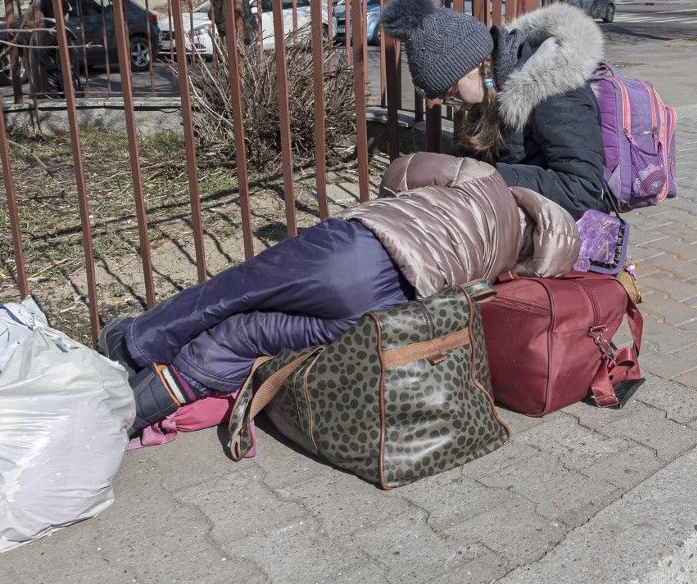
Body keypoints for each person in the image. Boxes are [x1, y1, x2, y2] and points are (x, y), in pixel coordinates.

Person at [100, 152, 581, 434]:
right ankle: (127, 416)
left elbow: (402, 171)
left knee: (233, 292)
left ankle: (134, 344)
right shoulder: (497, 274)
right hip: (381, 311)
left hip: (356, 252)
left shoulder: (486, 180)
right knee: (246, 334)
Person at [380, 0, 608, 216]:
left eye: (451, 93)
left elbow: (582, 191)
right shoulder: (490, 95)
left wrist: (485, 177)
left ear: (471, 66)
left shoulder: (553, 87)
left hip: (566, 237)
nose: (455, 105)